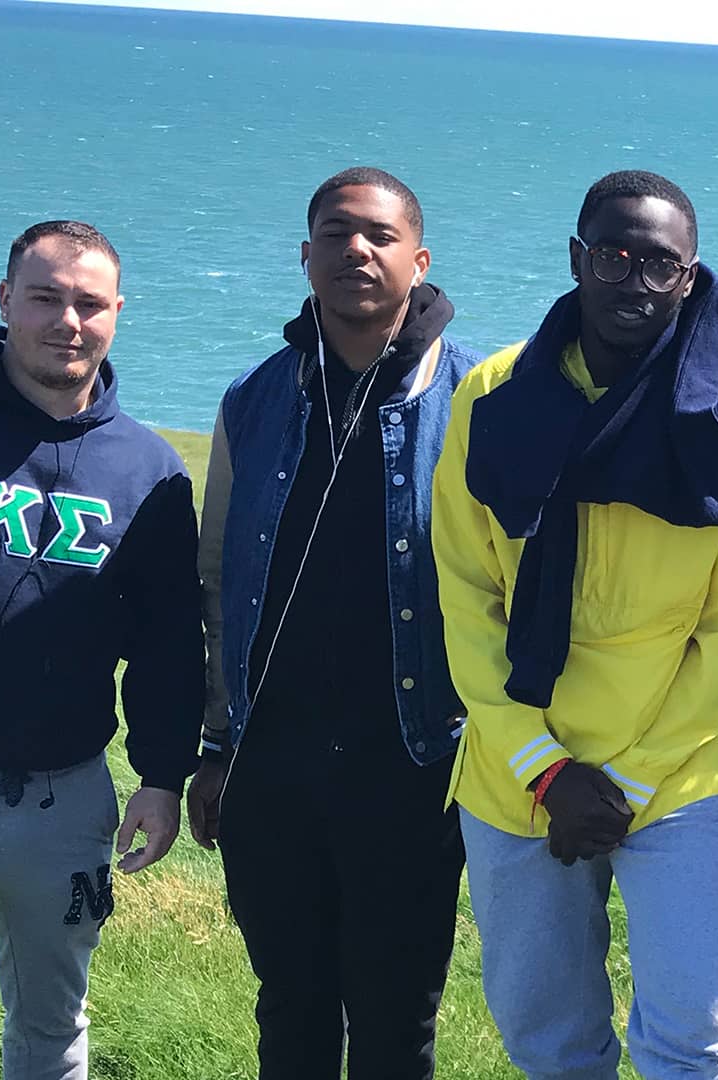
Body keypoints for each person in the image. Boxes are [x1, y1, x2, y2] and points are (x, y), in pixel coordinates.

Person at [433, 169, 718, 1079]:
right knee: (546, 1035)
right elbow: (464, 592)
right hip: (519, 762)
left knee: (693, 1036)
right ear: (576, 259)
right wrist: (546, 768)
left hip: (681, 765)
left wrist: (628, 781)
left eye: (661, 264)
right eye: (615, 256)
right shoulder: (494, 393)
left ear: (690, 277)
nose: (635, 281)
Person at [188, 167, 481, 1078]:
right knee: (291, 1014)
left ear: (419, 259)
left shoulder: (480, 400)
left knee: (397, 1024)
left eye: (380, 236)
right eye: (335, 232)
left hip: (416, 765)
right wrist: (215, 746)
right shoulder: (256, 399)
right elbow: (216, 583)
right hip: (271, 772)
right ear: (306, 254)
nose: (356, 249)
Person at [0, 221, 203, 1080]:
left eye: (88, 303)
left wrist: (159, 775)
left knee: (53, 1027)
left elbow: (166, 640)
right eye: (45, 297)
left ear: (117, 314)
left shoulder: (146, 468)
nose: (65, 320)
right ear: (6, 303)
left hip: (67, 801)